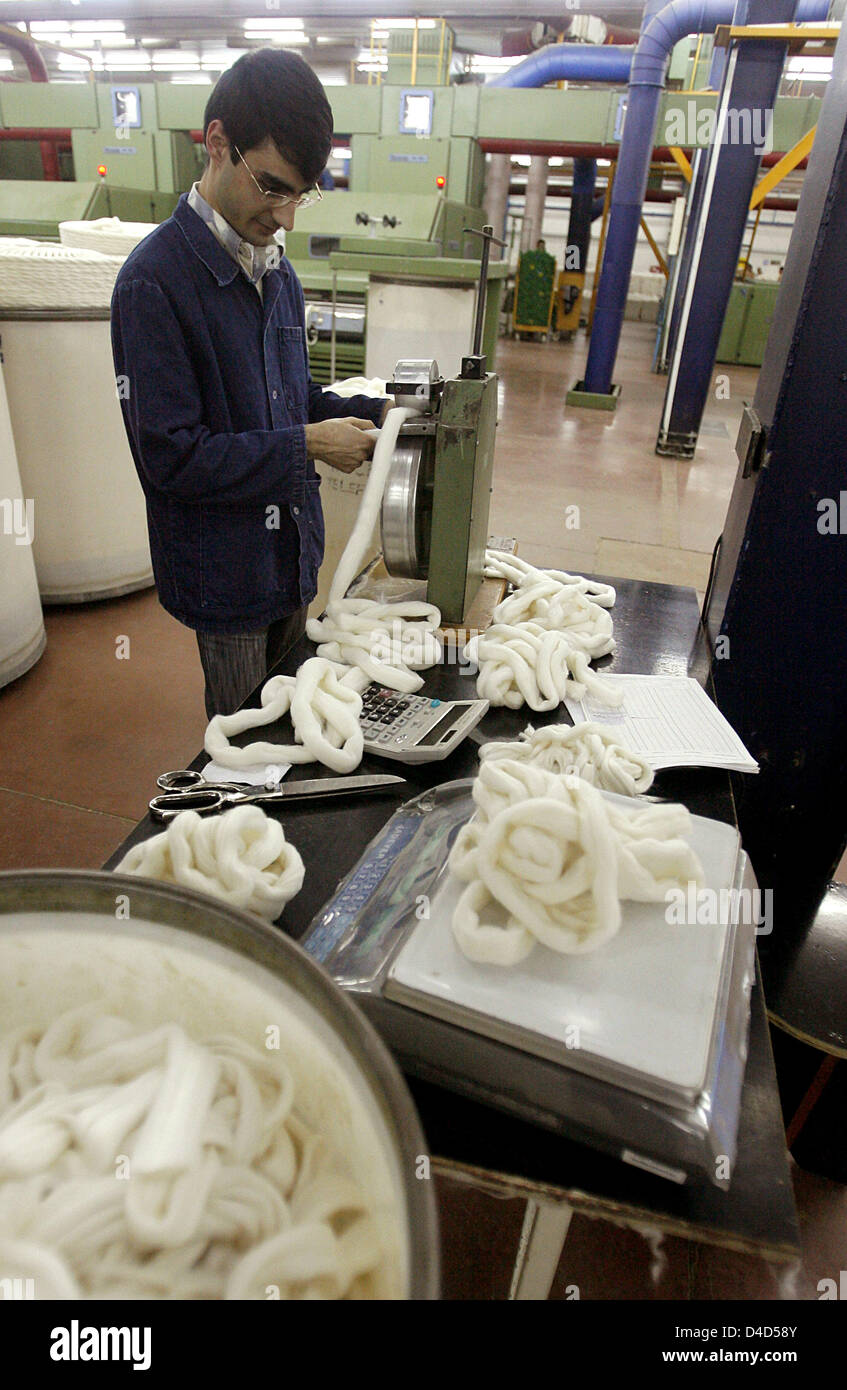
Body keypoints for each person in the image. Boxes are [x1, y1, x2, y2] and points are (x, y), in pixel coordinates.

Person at [111, 49, 391, 719]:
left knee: (296, 733)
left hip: (293, 559)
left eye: (302, 192)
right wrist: (307, 445)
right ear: (216, 143)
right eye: (273, 187)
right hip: (227, 577)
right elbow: (171, 457)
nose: (288, 215)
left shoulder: (277, 272)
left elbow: (292, 402)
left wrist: (385, 411)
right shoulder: (155, 282)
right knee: (244, 751)